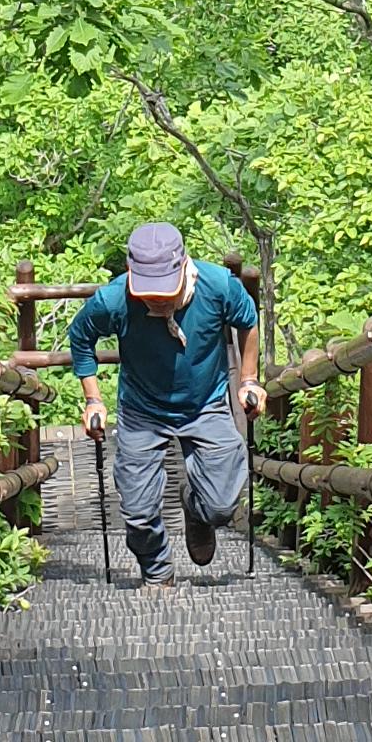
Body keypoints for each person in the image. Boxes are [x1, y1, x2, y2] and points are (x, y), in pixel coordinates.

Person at [70, 224, 262, 584]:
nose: (157, 300)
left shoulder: (218, 286)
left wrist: (249, 380)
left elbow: (248, 320)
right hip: (141, 410)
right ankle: (158, 573)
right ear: (131, 273)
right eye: (149, 291)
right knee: (138, 513)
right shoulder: (113, 300)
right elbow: (81, 337)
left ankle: (196, 509)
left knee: (221, 506)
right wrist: (93, 399)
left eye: (165, 290)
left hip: (205, 403)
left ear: (184, 265)